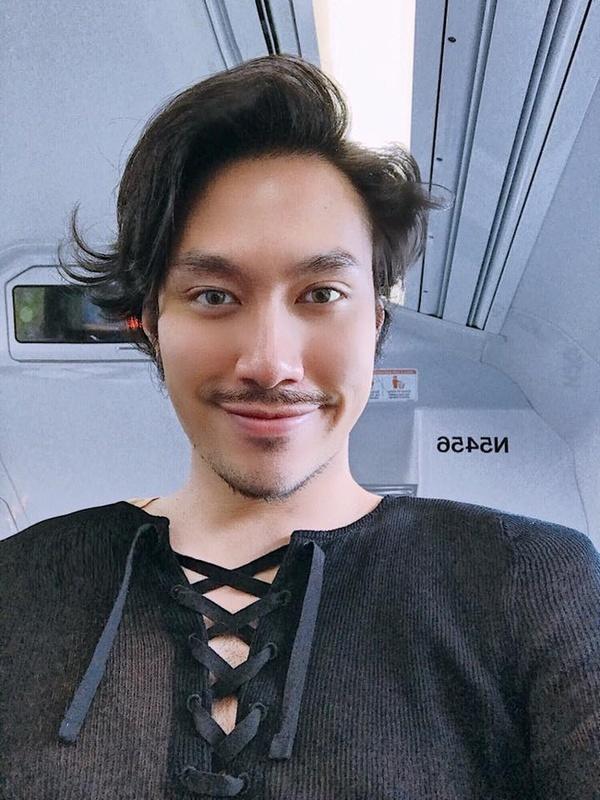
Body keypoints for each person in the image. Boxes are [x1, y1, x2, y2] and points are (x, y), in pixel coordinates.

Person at [1, 53, 599, 800]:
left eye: (320, 293)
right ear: (151, 322)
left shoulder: (533, 584)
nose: (270, 362)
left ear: (375, 322)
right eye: (214, 295)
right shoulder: (18, 587)